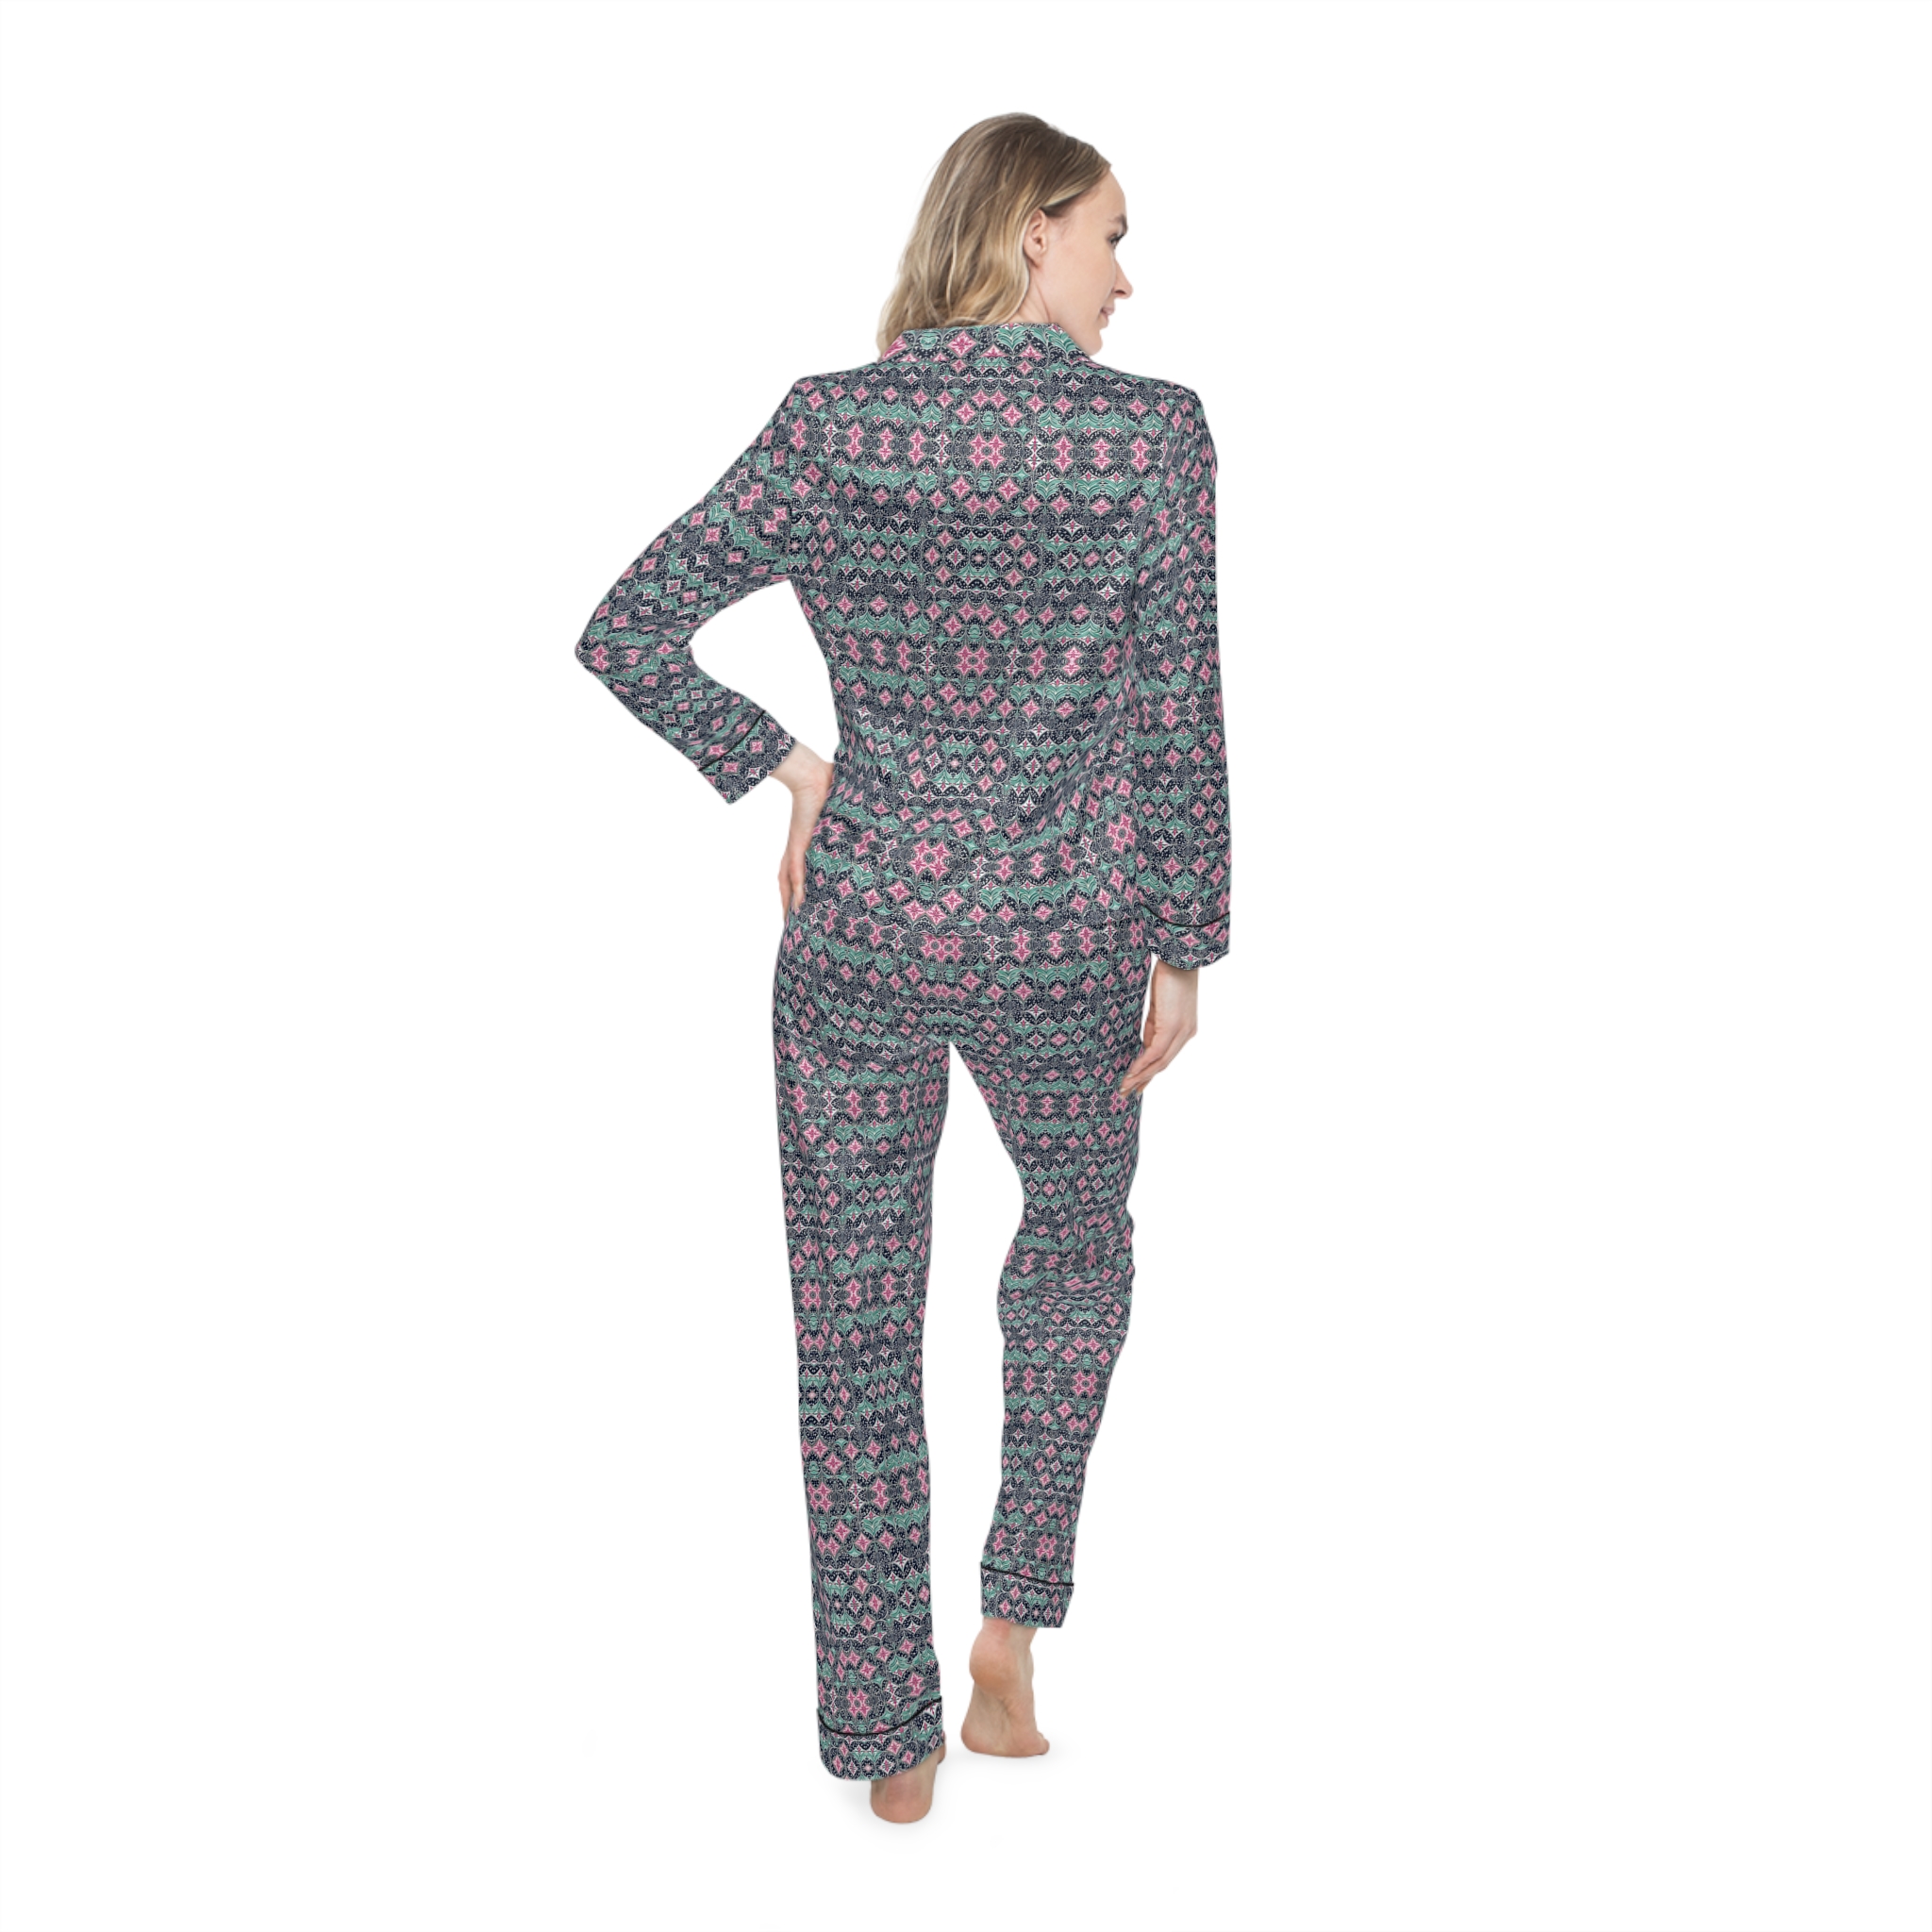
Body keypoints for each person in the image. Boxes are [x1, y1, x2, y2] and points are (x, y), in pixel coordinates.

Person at [573, 112, 1231, 1824]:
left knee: (852, 1326)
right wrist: (1186, 942)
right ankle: (1011, 1628)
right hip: (1065, 934)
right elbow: (1179, 710)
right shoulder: (1151, 437)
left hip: (861, 924)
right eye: (1110, 235)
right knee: (1077, 1252)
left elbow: (626, 626)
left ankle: (890, 1742)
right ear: (1030, 231)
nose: (1125, 275)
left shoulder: (833, 426)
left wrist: (793, 771)